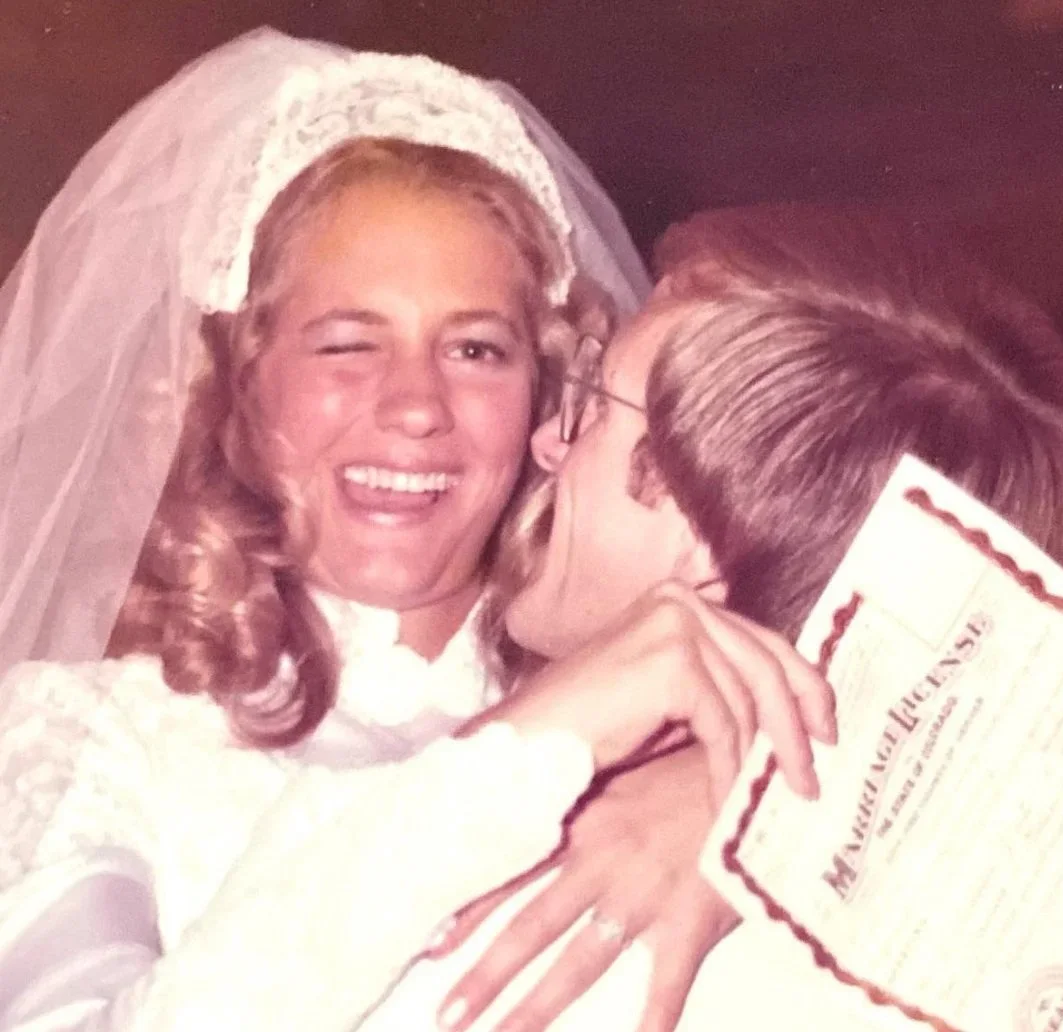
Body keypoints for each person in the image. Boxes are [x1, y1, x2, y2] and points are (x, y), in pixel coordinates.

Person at [0, 27, 804, 1030]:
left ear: (549, 398)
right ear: (237, 386)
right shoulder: (86, 739)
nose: (415, 404)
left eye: (474, 348)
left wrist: (748, 807)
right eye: (346, 343)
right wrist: (512, 759)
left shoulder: (665, 732)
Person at [420, 203, 1063, 1030]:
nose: (546, 442)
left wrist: (506, 755)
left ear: (707, 549)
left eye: (597, 410)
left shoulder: (531, 901)